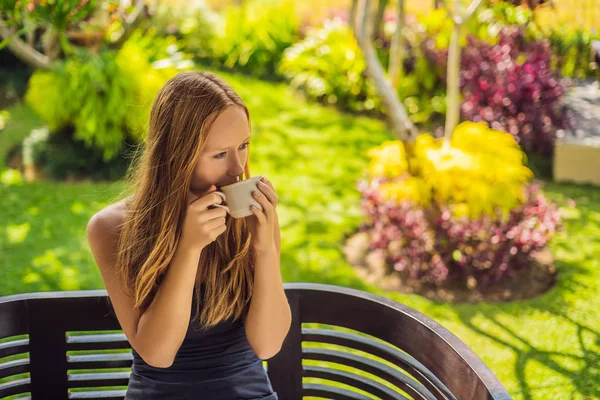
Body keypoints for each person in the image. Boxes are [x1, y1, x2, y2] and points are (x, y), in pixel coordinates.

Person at [86, 71, 292, 400]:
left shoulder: (250, 214)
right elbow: (158, 353)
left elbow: (267, 345)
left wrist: (264, 248)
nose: (238, 168)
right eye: (220, 154)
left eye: (243, 145)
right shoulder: (112, 228)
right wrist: (189, 248)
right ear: (177, 155)